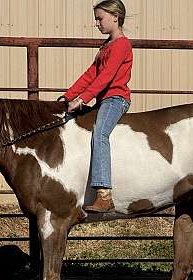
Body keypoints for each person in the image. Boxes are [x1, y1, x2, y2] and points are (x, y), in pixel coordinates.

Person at [63, 0, 133, 213]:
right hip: (102, 100)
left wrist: (82, 99)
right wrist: (67, 96)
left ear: (115, 17)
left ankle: (104, 195)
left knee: (100, 133)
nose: (97, 23)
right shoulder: (106, 47)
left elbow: (106, 77)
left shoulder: (122, 44)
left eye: (99, 18)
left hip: (116, 99)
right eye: (96, 19)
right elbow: (90, 75)